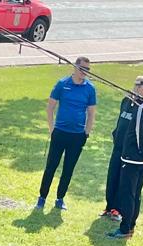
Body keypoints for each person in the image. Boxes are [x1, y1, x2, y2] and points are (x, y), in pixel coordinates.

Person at [105, 77, 143, 241]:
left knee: (127, 194)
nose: (136, 88)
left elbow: (138, 134)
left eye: (139, 86)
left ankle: (124, 229)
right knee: (136, 193)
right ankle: (131, 225)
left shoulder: (142, 108)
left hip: (133, 159)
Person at [36, 58, 97, 212]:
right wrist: (52, 129)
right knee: (51, 166)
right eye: (83, 68)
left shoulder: (90, 88)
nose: (85, 72)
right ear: (75, 67)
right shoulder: (62, 84)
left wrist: (86, 133)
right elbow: (50, 107)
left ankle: (60, 198)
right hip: (60, 133)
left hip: (77, 136)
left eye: (88, 69)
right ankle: (42, 197)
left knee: (68, 169)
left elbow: (91, 113)